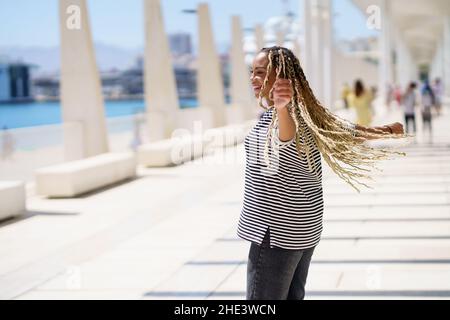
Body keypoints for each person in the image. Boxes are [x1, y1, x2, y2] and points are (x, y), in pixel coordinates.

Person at [240, 46, 406, 300]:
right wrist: (386, 130)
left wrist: (283, 109)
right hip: (303, 230)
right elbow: (347, 133)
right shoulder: (308, 114)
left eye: (261, 72)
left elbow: (286, 138)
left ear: (281, 76)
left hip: (275, 235)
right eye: (252, 72)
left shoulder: (287, 115)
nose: (253, 78)